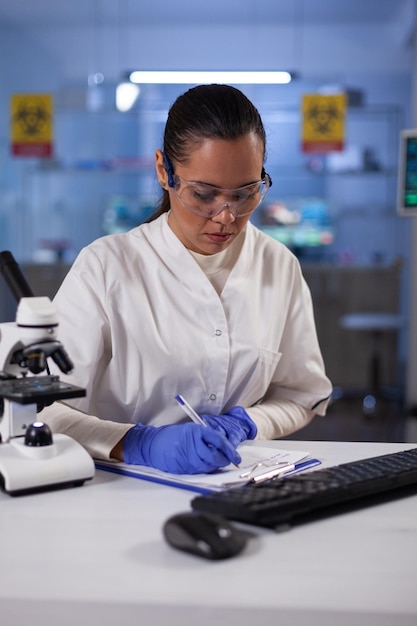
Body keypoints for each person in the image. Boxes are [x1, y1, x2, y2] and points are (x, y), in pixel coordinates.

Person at [42, 84, 332, 474]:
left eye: (245, 193)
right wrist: (137, 444)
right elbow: (43, 411)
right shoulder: (105, 267)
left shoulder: (278, 266)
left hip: (237, 488)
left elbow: (302, 396)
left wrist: (246, 423)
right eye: (204, 194)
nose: (226, 216)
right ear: (165, 172)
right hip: (118, 492)